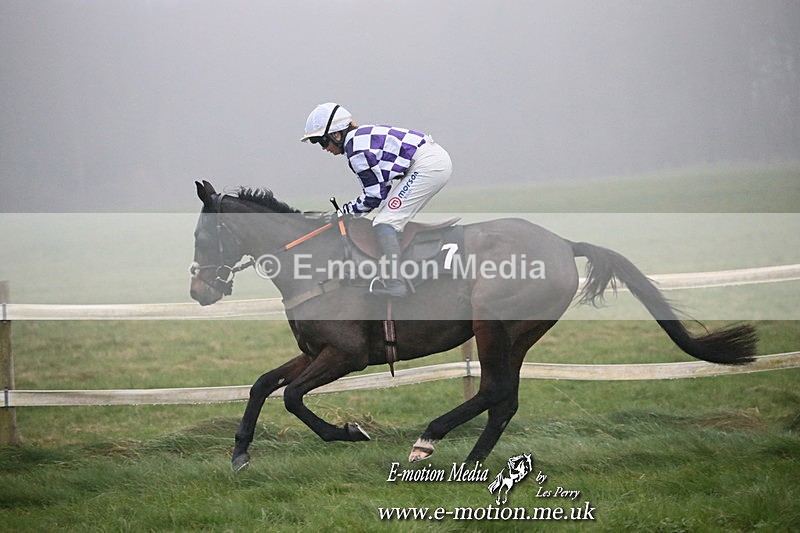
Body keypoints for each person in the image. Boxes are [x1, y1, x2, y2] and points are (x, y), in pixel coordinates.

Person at [301, 102, 453, 298]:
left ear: (336, 135)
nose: (323, 148)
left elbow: (374, 196)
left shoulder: (356, 151)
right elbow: (382, 189)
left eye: (321, 141)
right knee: (389, 217)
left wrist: (343, 213)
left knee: (385, 222)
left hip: (428, 166)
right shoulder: (358, 139)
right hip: (429, 160)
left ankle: (395, 283)